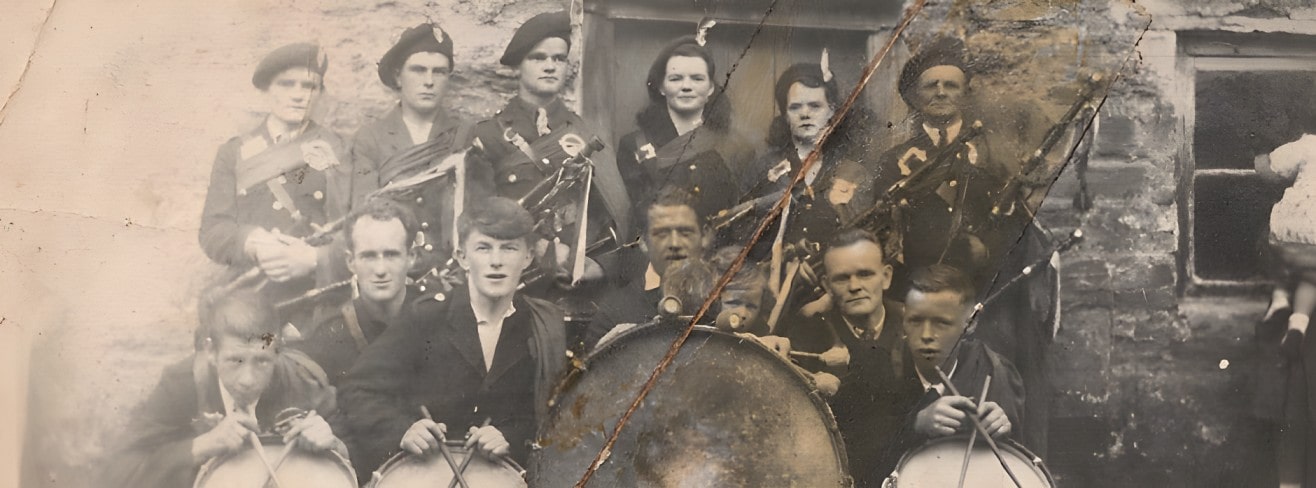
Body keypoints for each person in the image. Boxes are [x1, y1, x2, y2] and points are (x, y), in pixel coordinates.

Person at [336, 197, 568, 480]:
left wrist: (511, 436)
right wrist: (403, 430)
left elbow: (557, 415)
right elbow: (357, 390)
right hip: (425, 477)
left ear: (529, 256)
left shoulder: (542, 325)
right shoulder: (426, 318)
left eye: (509, 248)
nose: (496, 261)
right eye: (483, 248)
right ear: (461, 256)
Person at [103, 288, 343, 488]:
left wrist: (333, 443)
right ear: (210, 352)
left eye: (262, 361)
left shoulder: (302, 381)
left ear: (277, 351)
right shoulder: (183, 384)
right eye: (235, 361)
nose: (248, 379)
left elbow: (357, 453)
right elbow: (118, 473)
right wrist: (202, 445)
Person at [466, 10, 630, 291]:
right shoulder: (488, 135)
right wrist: (536, 247)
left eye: (559, 58)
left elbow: (617, 214)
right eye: (538, 58)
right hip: (514, 286)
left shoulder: (585, 133)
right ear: (518, 66)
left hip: (579, 288)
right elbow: (474, 219)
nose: (550, 66)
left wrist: (600, 266)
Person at [198, 42, 351, 314]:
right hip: (253, 294)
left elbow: (356, 227)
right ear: (267, 90)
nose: (298, 95)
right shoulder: (235, 152)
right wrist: (255, 243)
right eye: (286, 84)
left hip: (319, 295)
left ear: (320, 93)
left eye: (309, 86)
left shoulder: (338, 148)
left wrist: (315, 259)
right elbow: (213, 231)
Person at [869, 264, 1025, 485]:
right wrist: (915, 424)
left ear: (971, 323)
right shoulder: (876, 370)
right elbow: (858, 453)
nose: (926, 335)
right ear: (903, 318)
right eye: (916, 321)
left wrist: (1002, 429)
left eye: (941, 323)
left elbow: (1019, 466)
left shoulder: (994, 371)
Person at [348, 22, 474, 292]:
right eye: (418, 70)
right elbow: (365, 217)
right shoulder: (371, 138)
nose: (429, 81)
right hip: (394, 279)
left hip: (454, 279)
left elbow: (479, 216)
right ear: (397, 77)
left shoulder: (465, 135)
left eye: (439, 72)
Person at [615, 33, 754, 223]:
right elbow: (640, 217)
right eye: (675, 79)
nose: (686, 86)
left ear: (711, 88)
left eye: (697, 79)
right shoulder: (635, 144)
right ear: (661, 87)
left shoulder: (737, 148)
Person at [298, 198, 420, 386]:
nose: (380, 269)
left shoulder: (439, 318)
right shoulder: (328, 338)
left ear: (411, 257)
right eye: (368, 256)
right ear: (350, 262)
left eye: (391, 255)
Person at [1254, 134, 1316, 486]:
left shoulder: (1308, 146)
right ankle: (1297, 318)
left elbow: (1268, 167)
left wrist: (1258, 159)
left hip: (1292, 241)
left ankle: (1285, 306)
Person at [583, 186, 710, 349]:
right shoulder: (614, 314)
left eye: (685, 233)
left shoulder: (728, 297)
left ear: (704, 236)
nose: (675, 244)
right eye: (662, 234)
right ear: (643, 242)